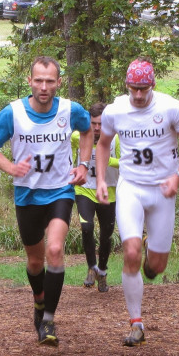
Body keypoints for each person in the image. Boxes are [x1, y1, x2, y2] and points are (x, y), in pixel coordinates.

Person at [0, 56, 93, 346]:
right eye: (39, 80)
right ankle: (39, 300)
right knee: (35, 261)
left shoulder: (71, 110)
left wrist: (83, 165)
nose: (44, 86)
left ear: (58, 83)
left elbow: (88, 130)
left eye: (50, 81)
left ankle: (48, 321)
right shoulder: (13, 113)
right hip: (27, 194)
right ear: (30, 81)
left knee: (55, 249)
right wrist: (11, 167)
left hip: (60, 190)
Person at [95, 58, 179, 346]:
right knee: (130, 252)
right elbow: (103, 145)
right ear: (127, 86)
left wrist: (178, 176)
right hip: (131, 187)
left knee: (156, 266)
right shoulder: (115, 110)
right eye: (134, 89)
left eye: (144, 89)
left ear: (153, 85)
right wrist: (102, 180)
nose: (139, 95)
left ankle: (150, 259)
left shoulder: (170, 108)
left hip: (163, 191)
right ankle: (136, 324)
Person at [71, 102, 120, 292]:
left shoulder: (115, 140)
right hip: (84, 189)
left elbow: (127, 163)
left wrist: (107, 159)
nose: (97, 128)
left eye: (101, 124)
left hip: (109, 191)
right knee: (86, 226)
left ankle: (103, 271)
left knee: (106, 236)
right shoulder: (78, 137)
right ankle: (92, 267)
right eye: (94, 124)